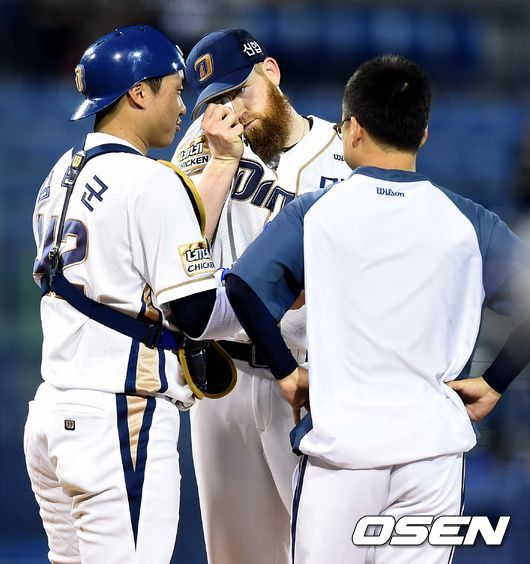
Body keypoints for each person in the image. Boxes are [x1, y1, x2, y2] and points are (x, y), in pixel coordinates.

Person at [225, 54, 530, 564]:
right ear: (423, 134)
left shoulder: (315, 212)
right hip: (431, 453)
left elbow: (242, 289)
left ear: (353, 129)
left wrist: (285, 372)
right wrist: (496, 382)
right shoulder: (469, 221)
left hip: (341, 453)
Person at [24, 25, 239, 563]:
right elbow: (194, 310)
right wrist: (267, 295)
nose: (183, 105)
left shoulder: (61, 173)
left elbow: (155, 244)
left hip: (54, 412)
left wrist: (221, 164)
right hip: (118, 418)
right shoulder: (149, 180)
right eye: (175, 89)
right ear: (139, 92)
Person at [171, 28, 351, 564]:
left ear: (271, 72)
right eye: (217, 100)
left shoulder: (344, 153)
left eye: (240, 91)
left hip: (308, 378)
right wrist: (220, 164)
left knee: (325, 550)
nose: (233, 111)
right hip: (222, 378)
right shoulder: (202, 146)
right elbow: (176, 251)